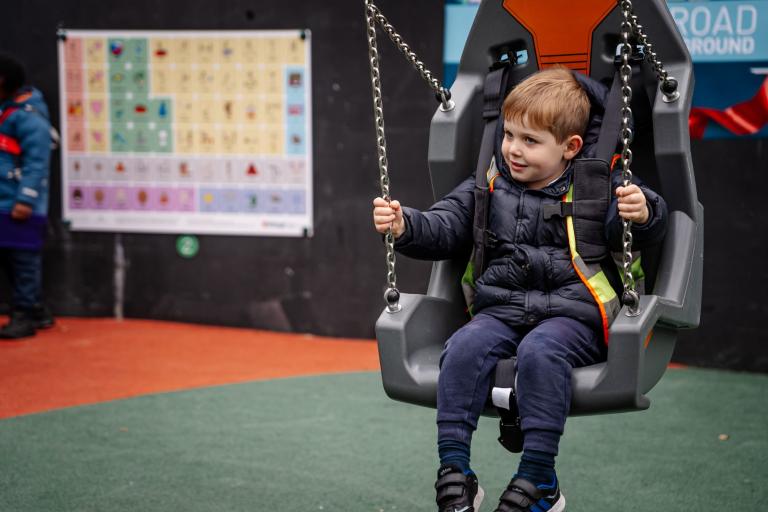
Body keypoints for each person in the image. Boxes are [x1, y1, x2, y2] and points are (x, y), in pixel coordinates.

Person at [371, 67, 668, 512]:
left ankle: (538, 479)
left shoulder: (600, 182)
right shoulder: (489, 184)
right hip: (502, 308)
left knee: (541, 352)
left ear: (569, 147)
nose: (513, 149)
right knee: (463, 346)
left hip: (575, 314)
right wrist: (405, 225)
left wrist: (643, 212)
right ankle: (455, 470)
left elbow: (639, 223)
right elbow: (447, 225)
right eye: (509, 135)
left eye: (530, 141)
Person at [0, 53, 55, 339]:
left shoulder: (30, 119)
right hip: (2, 204)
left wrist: (26, 199)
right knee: (9, 262)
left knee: (24, 262)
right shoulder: (5, 111)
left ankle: (25, 315)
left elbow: (37, 163)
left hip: (22, 208)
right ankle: (35, 309)